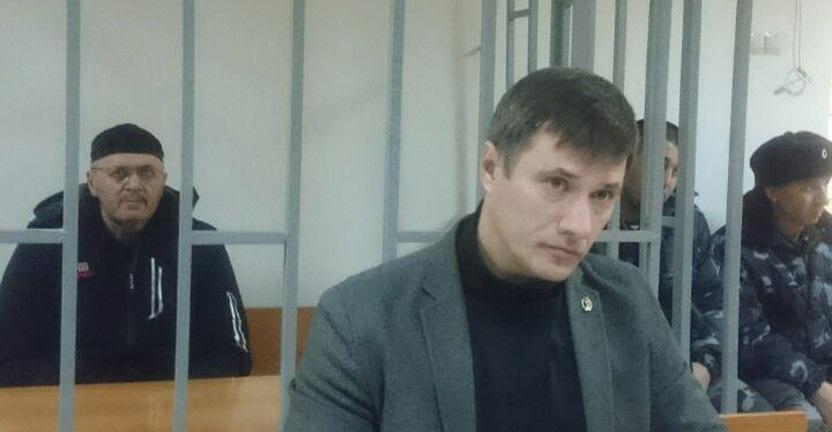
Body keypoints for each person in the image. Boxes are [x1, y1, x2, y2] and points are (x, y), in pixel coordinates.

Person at [284, 68, 724, 431]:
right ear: (492, 168)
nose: (580, 225)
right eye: (557, 184)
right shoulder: (362, 318)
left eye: (602, 195)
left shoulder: (625, 299)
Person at [0, 123, 252, 386]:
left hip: (172, 398)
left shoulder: (199, 243)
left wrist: (160, 393)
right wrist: (100, 389)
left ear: (163, 180)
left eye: (147, 173)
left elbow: (234, 353)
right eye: (119, 173)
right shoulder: (47, 242)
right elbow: (8, 357)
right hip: (72, 398)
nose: (134, 185)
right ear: (92, 182)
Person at [608, 119, 768, 412]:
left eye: (676, 171)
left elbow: (714, 304)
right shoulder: (594, 221)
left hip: (684, 365)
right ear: (626, 160)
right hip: (613, 369)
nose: (667, 180)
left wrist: (704, 365)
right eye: (660, 165)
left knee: (758, 416)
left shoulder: (686, 223)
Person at [712, 131, 832, 430]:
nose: (823, 197)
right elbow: (748, 336)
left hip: (821, 369)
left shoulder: (825, 236)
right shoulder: (734, 246)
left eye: (825, 184)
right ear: (773, 192)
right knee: (806, 424)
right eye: (809, 187)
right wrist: (816, 385)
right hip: (767, 375)